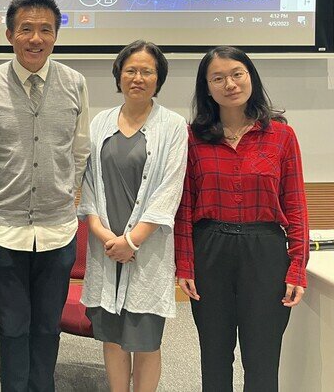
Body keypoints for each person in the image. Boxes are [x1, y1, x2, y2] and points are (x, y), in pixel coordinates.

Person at [175, 46, 309, 392]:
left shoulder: (281, 135)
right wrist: (185, 265)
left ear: (251, 77)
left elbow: (295, 205)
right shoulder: (193, 137)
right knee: (215, 356)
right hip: (210, 250)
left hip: (265, 252)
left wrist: (297, 267)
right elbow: (185, 207)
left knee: (262, 358)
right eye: (217, 78)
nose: (229, 83)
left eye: (237, 74)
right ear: (207, 88)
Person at [0, 0, 90, 392]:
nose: (35, 38)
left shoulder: (75, 83)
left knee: (47, 325)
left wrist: (65, 193)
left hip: (59, 231)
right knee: (12, 326)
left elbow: (79, 150)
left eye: (45, 30)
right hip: (4, 230)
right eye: (26, 29)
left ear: (56, 35)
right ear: (9, 34)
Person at [78, 41, 187, 392]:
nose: (137, 77)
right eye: (130, 70)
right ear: (118, 75)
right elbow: (89, 182)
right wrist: (100, 231)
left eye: (147, 71)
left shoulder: (171, 125)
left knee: (145, 340)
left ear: (159, 78)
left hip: (147, 247)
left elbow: (169, 190)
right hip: (106, 247)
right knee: (111, 337)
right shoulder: (100, 122)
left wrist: (132, 240)